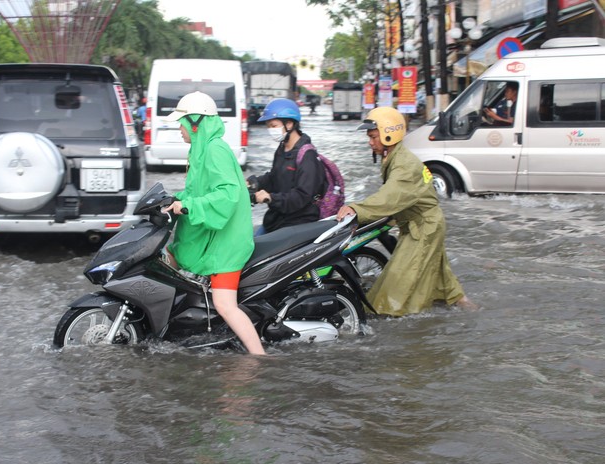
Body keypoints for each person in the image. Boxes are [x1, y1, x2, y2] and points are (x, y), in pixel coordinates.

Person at [336, 107, 475, 317]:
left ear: (388, 134)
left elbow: (389, 197)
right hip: (423, 224)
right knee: (440, 277)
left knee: (398, 281)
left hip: (423, 228)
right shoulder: (396, 158)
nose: (370, 142)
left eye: (373, 137)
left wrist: (356, 209)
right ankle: (468, 307)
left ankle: (392, 316)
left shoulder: (404, 166)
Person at [161, 91, 266, 355]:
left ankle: (261, 357)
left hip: (226, 242)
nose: (180, 130)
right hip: (211, 235)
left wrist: (188, 205)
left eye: (182, 123)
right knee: (168, 259)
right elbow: (199, 191)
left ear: (196, 123)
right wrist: (175, 200)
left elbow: (227, 195)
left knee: (224, 303)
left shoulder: (215, 150)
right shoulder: (200, 149)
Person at [248, 98, 326, 235]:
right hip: (277, 218)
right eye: (268, 126)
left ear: (289, 124)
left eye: (273, 126)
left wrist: (271, 198)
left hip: (297, 222)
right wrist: (254, 183)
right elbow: (274, 177)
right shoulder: (282, 148)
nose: (270, 130)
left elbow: (302, 196)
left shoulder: (308, 156)